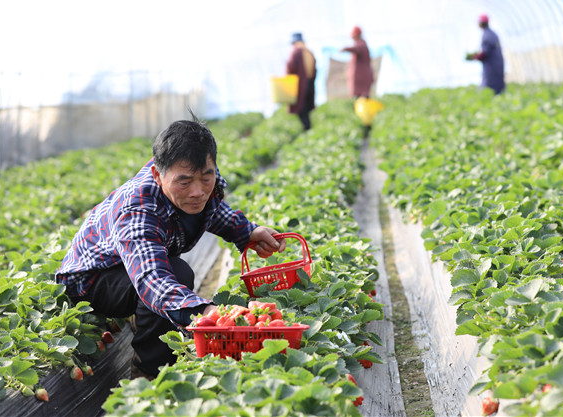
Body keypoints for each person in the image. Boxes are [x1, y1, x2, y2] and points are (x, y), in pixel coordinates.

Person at [55, 113, 287, 379]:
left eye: (206, 178)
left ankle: (144, 321)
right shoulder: (136, 208)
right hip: (91, 279)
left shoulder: (198, 174)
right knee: (176, 276)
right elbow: (151, 279)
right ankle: (148, 375)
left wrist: (248, 232)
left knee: (176, 275)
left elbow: (211, 208)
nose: (197, 191)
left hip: (131, 264)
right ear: (158, 175)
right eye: (185, 182)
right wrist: (205, 311)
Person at [466, 14, 505, 95]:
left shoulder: (486, 35)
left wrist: (474, 57)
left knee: (489, 86)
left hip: (491, 66)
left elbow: (485, 53)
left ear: (480, 24)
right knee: (498, 85)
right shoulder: (493, 34)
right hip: (498, 64)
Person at [286, 32, 317, 130]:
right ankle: (308, 129)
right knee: (306, 109)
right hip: (309, 84)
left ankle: (307, 129)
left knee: (301, 109)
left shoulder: (296, 52)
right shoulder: (308, 51)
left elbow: (291, 67)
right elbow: (315, 69)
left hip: (301, 86)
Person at [342, 26, 374, 98]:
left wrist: (346, 48)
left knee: (362, 98)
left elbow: (356, 49)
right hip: (359, 78)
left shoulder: (362, 45)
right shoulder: (360, 44)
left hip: (362, 78)